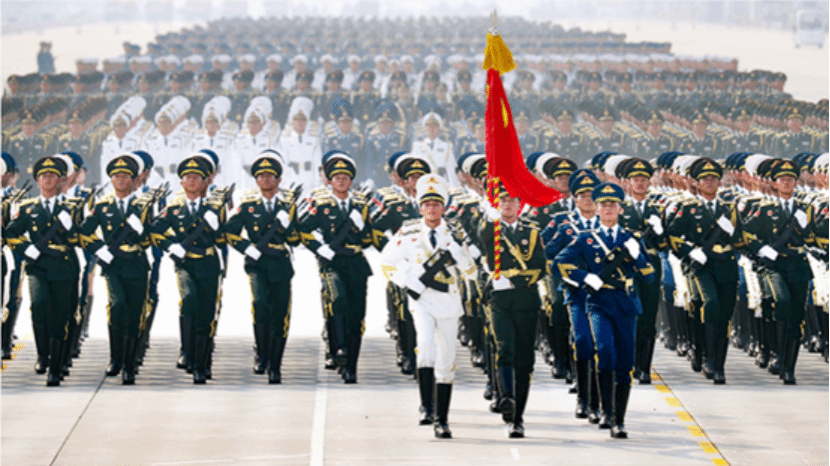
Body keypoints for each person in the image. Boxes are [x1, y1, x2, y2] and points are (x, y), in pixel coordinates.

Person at [379, 173, 477, 439]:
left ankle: (442, 419)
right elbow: (386, 262)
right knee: (425, 348)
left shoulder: (455, 233)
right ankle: (426, 407)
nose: (432, 209)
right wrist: (407, 280)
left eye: (436, 204)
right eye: (427, 204)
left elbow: (471, 272)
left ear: (443, 208)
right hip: (421, 300)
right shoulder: (409, 231)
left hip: (448, 302)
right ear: (420, 208)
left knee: (447, 359)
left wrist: (459, 253)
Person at [556, 182, 655, 439]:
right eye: (603, 205)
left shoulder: (630, 239)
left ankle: (619, 420)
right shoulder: (586, 238)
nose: (608, 209)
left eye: (613, 205)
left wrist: (638, 256)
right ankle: (606, 412)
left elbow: (649, 276)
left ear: (621, 209)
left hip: (625, 303)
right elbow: (561, 263)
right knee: (605, 352)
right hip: (599, 302)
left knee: (625, 363)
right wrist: (585, 277)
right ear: (597, 208)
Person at [298, 151, 385, 383]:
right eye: (337, 178)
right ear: (330, 181)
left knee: (357, 316)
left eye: (345, 178)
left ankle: (351, 366)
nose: (341, 181)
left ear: (351, 181)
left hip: (355, 262)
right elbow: (304, 230)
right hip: (332, 262)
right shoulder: (321, 203)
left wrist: (361, 226)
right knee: (337, 300)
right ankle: (339, 347)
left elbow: (368, 239)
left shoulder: (360, 204)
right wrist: (320, 248)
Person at [225, 150, 301, 383]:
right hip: (257, 264)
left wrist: (287, 226)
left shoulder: (288, 206)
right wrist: (247, 248)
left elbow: (295, 240)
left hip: (280, 263)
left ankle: (275, 364)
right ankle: (262, 354)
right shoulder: (248, 205)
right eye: (261, 176)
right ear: (256, 181)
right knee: (260, 305)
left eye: (270, 176)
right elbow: (230, 232)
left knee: (280, 313)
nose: (265, 180)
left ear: (279, 180)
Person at [477, 184, 547, 438]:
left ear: (520, 204)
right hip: (500, 301)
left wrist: (514, 280)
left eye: (512, 200)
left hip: (526, 300)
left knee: (525, 359)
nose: (507, 204)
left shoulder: (532, 231)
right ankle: (506, 397)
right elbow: (482, 238)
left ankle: (518, 418)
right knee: (504, 348)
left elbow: (540, 266)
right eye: (503, 200)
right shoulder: (491, 229)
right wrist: (489, 218)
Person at [150, 155, 227, 384]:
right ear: (182, 182)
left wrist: (216, 226)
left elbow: (223, 240)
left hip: (208, 263)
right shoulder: (174, 209)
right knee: (189, 300)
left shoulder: (214, 208)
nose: (192, 181)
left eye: (196, 177)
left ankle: (202, 364)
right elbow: (155, 231)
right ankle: (187, 351)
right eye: (188, 177)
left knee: (206, 313)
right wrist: (171, 245)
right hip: (185, 264)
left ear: (205, 183)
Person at [5, 155, 81, 386]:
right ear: (37, 181)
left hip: (63, 266)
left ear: (61, 180)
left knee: (60, 315)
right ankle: (42, 355)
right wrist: (26, 248)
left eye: (52, 176)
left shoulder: (71, 208)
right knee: (38, 307)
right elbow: (10, 233)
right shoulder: (28, 208)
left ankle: (56, 368)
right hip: (37, 267)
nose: (48, 180)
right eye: (43, 176)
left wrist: (71, 227)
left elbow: (81, 239)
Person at [666, 158, 743, 384]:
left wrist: (733, 232)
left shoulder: (729, 208)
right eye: (705, 179)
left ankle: (719, 364)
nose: (710, 182)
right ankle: (708, 359)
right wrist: (691, 251)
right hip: (702, 267)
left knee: (725, 315)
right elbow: (673, 236)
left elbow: (741, 240)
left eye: (714, 179)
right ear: (697, 183)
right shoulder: (688, 208)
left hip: (726, 265)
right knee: (711, 305)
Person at [742, 159, 817, 384]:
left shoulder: (805, 209)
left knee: (796, 317)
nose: (786, 183)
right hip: (775, 266)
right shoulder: (766, 209)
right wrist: (762, 248)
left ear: (795, 183)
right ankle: (779, 354)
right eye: (782, 180)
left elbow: (813, 238)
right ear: (775, 183)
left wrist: (805, 226)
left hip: (797, 265)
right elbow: (747, 234)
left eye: (790, 180)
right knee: (782, 302)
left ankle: (789, 366)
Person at [78, 154, 151, 384]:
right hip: (113, 265)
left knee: (134, 314)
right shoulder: (103, 206)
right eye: (116, 176)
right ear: (111, 180)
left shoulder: (143, 206)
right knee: (117, 307)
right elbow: (84, 232)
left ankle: (129, 365)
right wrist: (100, 249)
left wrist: (141, 231)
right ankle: (115, 358)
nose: (120, 179)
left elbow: (151, 239)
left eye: (125, 176)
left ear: (133, 180)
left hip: (136, 264)